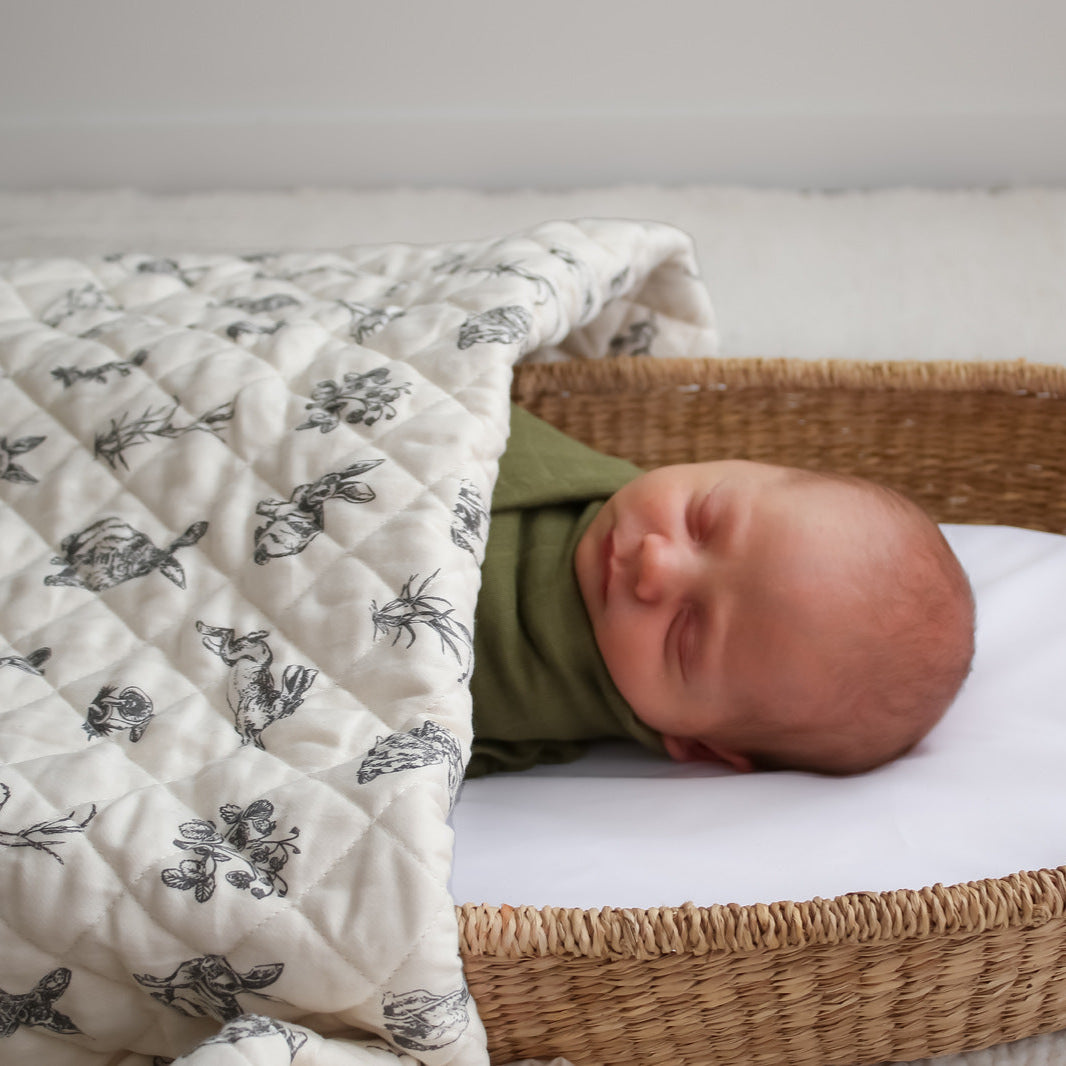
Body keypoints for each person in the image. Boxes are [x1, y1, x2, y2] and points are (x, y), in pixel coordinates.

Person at [466, 405, 975, 778]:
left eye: (684, 636)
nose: (655, 563)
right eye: (702, 520)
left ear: (699, 745)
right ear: (742, 464)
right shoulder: (596, 481)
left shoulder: (539, 712)